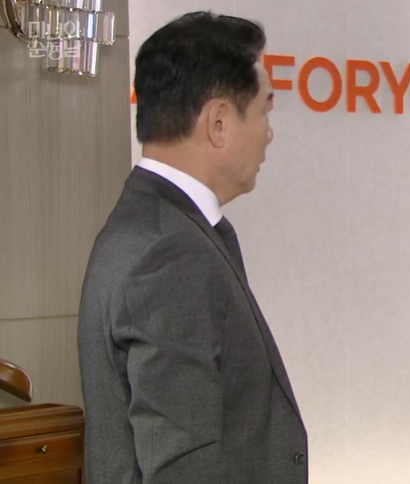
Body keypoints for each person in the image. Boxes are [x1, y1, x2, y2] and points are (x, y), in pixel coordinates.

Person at [77, 12, 307, 484]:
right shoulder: (169, 254)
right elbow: (183, 467)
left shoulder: (150, 227)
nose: (269, 132)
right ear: (219, 122)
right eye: (263, 111)